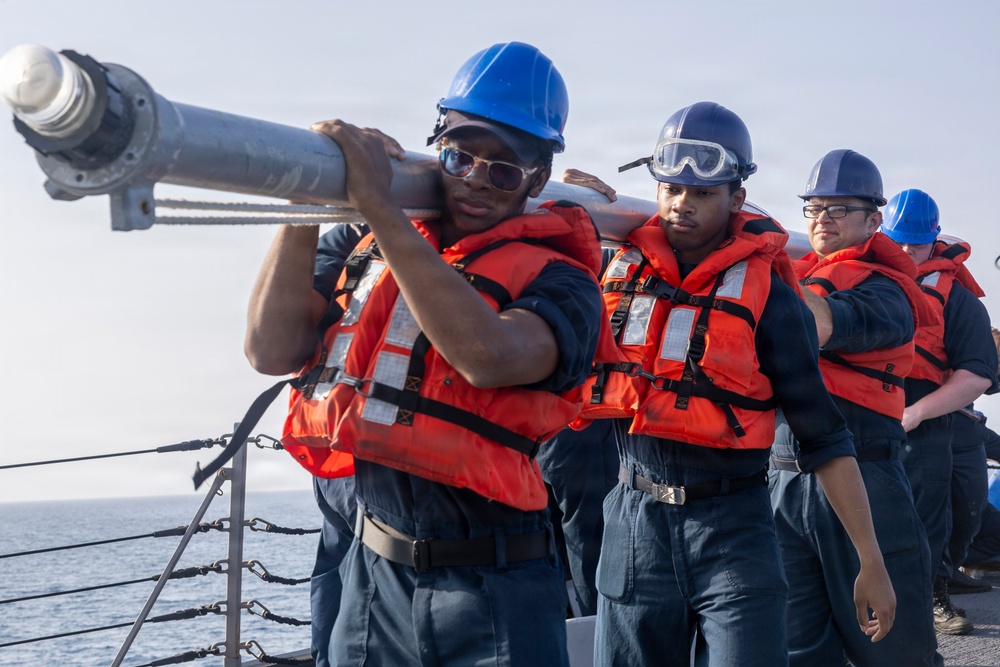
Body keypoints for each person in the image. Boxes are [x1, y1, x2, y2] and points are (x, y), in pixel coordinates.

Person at [245, 41, 613, 666]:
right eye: (459, 155)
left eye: (502, 169)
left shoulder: (567, 283)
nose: (474, 179)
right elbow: (269, 349)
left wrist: (381, 210)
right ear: (437, 143)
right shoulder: (361, 244)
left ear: (538, 178)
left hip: (497, 588)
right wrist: (307, 197)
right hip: (373, 579)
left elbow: (489, 358)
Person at [571, 103, 895, 667]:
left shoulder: (770, 297)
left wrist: (871, 559)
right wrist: (582, 209)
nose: (682, 205)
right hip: (633, 519)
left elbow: (824, 434)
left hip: (734, 529)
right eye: (672, 189)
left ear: (736, 200)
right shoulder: (620, 267)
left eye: (702, 193)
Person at [769, 153, 943, 665]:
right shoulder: (796, 276)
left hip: (866, 482)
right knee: (799, 650)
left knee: (894, 651)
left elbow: (817, 324)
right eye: (814, 207)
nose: (822, 217)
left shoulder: (887, 292)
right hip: (781, 482)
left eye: (839, 208)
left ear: (873, 222)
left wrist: (755, 258)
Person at [879, 188, 998, 634]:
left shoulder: (959, 301)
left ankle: (930, 598)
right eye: (899, 242)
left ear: (934, 240)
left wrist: (916, 414)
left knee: (933, 517)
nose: (907, 252)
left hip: (924, 427)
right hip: (859, 420)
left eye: (917, 244)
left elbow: (978, 374)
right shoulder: (853, 276)